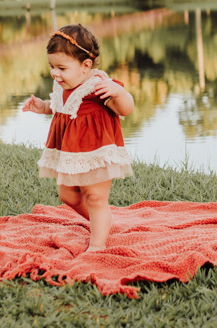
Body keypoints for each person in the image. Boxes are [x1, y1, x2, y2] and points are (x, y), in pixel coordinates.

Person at [22, 24, 134, 252]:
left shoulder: (98, 85)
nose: (55, 73)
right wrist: (42, 106)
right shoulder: (64, 83)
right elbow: (60, 108)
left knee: (95, 197)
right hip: (71, 153)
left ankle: (97, 244)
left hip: (96, 152)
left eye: (61, 67)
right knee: (67, 195)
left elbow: (126, 110)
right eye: (51, 66)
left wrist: (120, 93)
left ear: (86, 66)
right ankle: (101, 220)